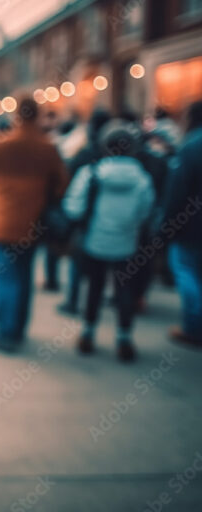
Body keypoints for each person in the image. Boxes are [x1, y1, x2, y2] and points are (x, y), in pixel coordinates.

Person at [0, 97, 69, 351]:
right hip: (34, 223)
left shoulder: (1, 144)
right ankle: (19, 328)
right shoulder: (48, 147)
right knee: (24, 277)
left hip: (3, 222)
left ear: (16, 115)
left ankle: (6, 333)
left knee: (6, 278)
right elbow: (62, 184)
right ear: (37, 115)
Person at [63, 120, 155, 362]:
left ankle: (87, 334)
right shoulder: (141, 178)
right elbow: (145, 212)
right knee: (125, 289)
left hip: (95, 240)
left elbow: (73, 207)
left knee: (93, 287)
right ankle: (124, 338)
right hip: (127, 242)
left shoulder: (91, 174)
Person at [58, 109, 112, 315]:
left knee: (78, 263)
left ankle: (74, 301)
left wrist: (71, 216)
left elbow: (71, 186)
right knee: (104, 270)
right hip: (113, 222)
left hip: (86, 221)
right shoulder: (117, 156)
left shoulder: (84, 155)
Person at [164, 101, 202, 348]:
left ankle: (194, 327)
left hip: (191, 227)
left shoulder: (190, 147)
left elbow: (176, 192)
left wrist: (167, 224)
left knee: (187, 271)